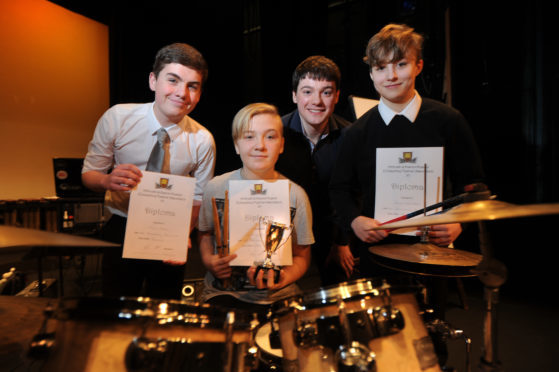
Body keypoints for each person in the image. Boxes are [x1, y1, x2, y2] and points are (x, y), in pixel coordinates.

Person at [82, 43, 216, 299]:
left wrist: (182, 234)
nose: (182, 93)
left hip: (170, 231)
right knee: (117, 310)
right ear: (153, 80)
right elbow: (89, 175)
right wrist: (107, 180)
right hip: (121, 225)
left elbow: (198, 197)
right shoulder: (117, 118)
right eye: (173, 80)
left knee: (164, 311)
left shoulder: (203, 140)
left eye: (192, 86)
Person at [198, 103, 314, 315]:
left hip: (279, 296)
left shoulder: (296, 195)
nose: (260, 145)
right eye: (249, 136)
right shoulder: (215, 187)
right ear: (236, 145)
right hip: (223, 294)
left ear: (281, 145)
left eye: (270, 137)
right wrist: (209, 260)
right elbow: (205, 233)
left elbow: (302, 255)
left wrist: (284, 278)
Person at [275, 56, 355, 286]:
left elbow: (354, 193)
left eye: (326, 92)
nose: (317, 101)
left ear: (337, 96)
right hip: (284, 232)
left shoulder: (351, 136)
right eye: (308, 92)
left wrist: (342, 242)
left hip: (332, 232)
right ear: (294, 95)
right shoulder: (274, 132)